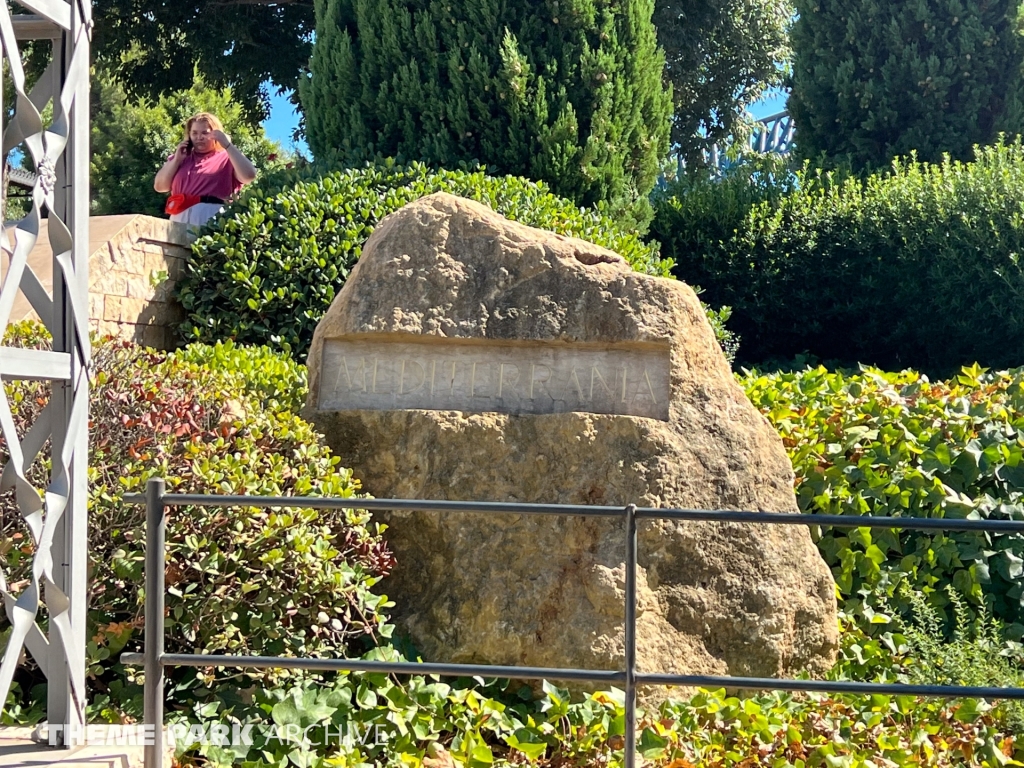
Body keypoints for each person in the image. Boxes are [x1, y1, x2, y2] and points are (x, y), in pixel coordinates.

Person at [154, 112, 257, 226]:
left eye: (205, 133)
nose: (199, 137)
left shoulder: (227, 157)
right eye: (194, 133)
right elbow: (160, 186)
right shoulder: (180, 157)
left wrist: (228, 145)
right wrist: (176, 160)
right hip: (178, 218)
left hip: (213, 219)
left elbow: (249, 176)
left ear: (216, 134)